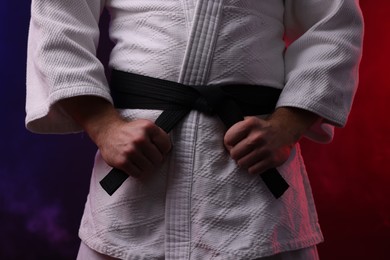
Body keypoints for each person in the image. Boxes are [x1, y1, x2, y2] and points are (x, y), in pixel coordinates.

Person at [25, 0, 364, 259]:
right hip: (138, 163)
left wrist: (288, 125)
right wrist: (103, 126)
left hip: (253, 167)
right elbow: (58, 20)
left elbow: (333, 26)